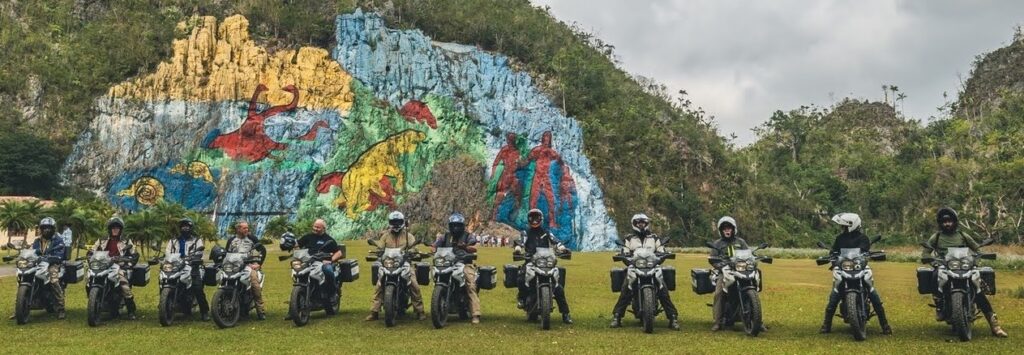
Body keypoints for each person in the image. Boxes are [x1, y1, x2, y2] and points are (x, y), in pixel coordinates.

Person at [922, 207, 1007, 337]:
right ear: (940, 223)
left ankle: (995, 326)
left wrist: (977, 259)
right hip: (944, 265)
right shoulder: (937, 237)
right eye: (944, 222)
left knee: (979, 293)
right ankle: (939, 303)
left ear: (955, 222)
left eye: (950, 221)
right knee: (934, 275)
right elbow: (926, 251)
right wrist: (932, 261)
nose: (947, 224)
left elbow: (977, 248)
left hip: (965, 265)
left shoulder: (962, 235)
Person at [819, 213, 891, 335]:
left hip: (860, 267)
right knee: (834, 295)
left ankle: (885, 325)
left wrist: (870, 255)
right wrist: (831, 256)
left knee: (873, 294)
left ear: (852, 225)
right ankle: (826, 324)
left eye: (844, 226)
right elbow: (834, 251)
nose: (842, 228)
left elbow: (865, 250)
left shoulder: (863, 238)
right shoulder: (840, 238)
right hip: (843, 267)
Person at [609, 213, 679, 330]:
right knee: (626, 288)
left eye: (643, 222)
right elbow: (625, 249)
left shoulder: (654, 237)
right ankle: (617, 317)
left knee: (663, 289)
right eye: (638, 222)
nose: (641, 225)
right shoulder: (629, 238)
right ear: (634, 224)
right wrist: (624, 255)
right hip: (634, 266)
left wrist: (663, 253)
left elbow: (661, 249)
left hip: (652, 265)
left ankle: (673, 318)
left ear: (647, 224)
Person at [514, 208, 573, 324]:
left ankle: (566, 314)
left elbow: (555, 241)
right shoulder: (526, 232)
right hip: (531, 261)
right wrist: (518, 248)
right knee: (521, 278)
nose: (534, 220)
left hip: (546, 261)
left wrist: (561, 248)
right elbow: (521, 241)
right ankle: (522, 299)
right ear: (529, 219)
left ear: (540, 219)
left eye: (536, 217)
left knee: (558, 288)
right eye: (532, 217)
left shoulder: (546, 232)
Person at [365, 211, 426, 321]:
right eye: (394, 222)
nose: (396, 224)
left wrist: (411, 252)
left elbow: (413, 247)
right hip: (388, 263)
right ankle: (374, 312)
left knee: (414, 284)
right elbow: (380, 246)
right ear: (390, 222)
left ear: (402, 222)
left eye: (398, 222)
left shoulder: (408, 236)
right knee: (379, 285)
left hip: (404, 263)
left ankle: (419, 311)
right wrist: (378, 251)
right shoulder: (385, 236)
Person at [431, 213, 482, 324]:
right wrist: (433, 249)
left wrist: (465, 247)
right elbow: (435, 245)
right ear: (450, 226)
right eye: (453, 225)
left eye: (458, 225)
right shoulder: (445, 236)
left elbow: (474, 248)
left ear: (462, 226)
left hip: (463, 263)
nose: (455, 228)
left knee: (471, 285)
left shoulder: (468, 236)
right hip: (446, 263)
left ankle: (475, 314)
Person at [707, 216, 752, 331]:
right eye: (725, 228)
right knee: (719, 293)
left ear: (733, 229)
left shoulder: (740, 242)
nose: (727, 230)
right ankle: (717, 322)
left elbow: (749, 255)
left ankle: (757, 320)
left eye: (729, 228)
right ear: (721, 230)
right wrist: (720, 266)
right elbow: (712, 258)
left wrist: (752, 259)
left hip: (740, 269)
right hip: (725, 271)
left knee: (751, 288)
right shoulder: (717, 244)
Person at [90, 217, 139, 320]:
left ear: (121, 229)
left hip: (118, 265)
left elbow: (134, 254)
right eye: (113, 228)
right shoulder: (102, 239)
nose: (115, 230)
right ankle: (94, 300)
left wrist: (129, 261)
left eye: (117, 228)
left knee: (123, 283)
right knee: (90, 277)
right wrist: (90, 253)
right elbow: (93, 249)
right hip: (103, 264)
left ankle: (131, 310)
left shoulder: (126, 241)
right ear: (110, 229)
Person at [164, 217, 209, 321]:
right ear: (180, 228)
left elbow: (200, 253)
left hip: (192, 266)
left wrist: (194, 259)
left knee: (197, 287)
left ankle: (204, 311)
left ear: (191, 228)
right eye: (183, 226)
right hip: (175, 265)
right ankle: (165, 303)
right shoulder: (173, 241)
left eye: (187, 226)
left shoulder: (197, 240)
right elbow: (167, 252)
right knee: (164, 280)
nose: (185, 228)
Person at [297, 219, 343, 315]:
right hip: (309, 261)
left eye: (318, 227)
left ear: (323, 228)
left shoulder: (329, 240)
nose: (315, 229)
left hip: (323, 262)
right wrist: (287, 243)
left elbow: (339, 252)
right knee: (299, 276)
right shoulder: (308, 237)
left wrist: (330, 261)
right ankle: (292, 310)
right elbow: (297, 245)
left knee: (328, 270)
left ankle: (332, 294)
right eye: (314, 226)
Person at [226, 220, 267, 320]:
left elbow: (263, 250)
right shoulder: (231, 240)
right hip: (233, 266)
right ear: (238, 229)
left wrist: (258, 264)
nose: (247, 230)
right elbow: (226, 253)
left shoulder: (252, 238)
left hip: (247, 265)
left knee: (255, 284)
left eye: (247, 228)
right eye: (244, 228)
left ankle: (260, 310)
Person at [33, 217, 68, 319]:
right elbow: (33, 251)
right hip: (39, 264)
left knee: (53, 280)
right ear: (41, 229)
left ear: (53, 229)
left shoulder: (58, 240)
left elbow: (60, 254)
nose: (46, 230)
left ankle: (61, 308)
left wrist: (53, 258)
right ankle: (18, 308)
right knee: (25, 277)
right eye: (44, 228)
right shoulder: (37, 241)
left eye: (49, 228)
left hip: (53, 264)